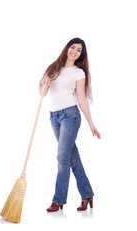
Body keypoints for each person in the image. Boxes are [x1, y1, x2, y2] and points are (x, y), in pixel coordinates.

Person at [39, 38, 99, 212]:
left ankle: (58, 201)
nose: (74, 51)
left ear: (81, 54)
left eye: (79, 50)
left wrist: (91, 123)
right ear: (67, 48)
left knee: (62, 158)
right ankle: (87, 194)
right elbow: (43, 94)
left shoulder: (79, 73)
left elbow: (81, 99)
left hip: (70, 116)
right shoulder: (53, 67)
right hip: (54, 117)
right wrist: (45, 84)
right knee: (72, 158)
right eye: (72, 47)